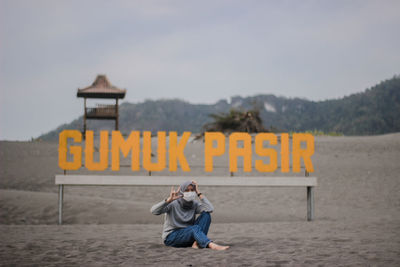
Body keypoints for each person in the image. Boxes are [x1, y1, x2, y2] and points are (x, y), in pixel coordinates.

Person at [150, 180, 229, 250]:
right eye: (187, 190)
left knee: (206, 215)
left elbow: (210, 209)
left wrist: (198, 192)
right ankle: (211, 245)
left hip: (188, 235)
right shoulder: (173, 204)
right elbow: (154, 211)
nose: (189, 193)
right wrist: (168, 200)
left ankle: (196, 243)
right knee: (194, 228)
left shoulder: (194, 204)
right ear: (181, 192)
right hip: (171, 237)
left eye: (192, 190)